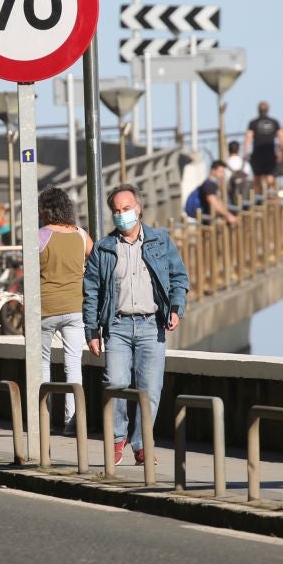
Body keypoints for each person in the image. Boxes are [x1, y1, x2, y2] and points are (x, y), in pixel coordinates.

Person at [84, 184, 189, 466]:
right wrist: (92, 330)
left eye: (126, 209)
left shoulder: (160, 241)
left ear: (138, 209)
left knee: (150, 389)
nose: (121, 215)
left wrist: (176, 309)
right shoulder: (104, 248)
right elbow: (91, 290)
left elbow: (179, 278)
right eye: (116, 211)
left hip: (151, 325)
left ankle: (142, 444)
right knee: (115, 382)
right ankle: (118, 438)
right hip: (117, 326)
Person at [37, 187, 93, 435]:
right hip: (75, 307)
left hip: (44, 309)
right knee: (73, 365)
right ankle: (72, 423)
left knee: (41, 365)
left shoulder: (39, 236)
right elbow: (96, 260)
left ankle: (43, 419)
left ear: (45, 209)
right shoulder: (81, 235)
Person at [244, 101, 281, 191]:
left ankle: (259, 198)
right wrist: (281, 151)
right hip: (270, 153)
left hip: (257, 153)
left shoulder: (253, 122)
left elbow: (248, 138)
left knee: (257, 177)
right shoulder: (274, 122)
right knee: (271, 177)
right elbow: (281, 137)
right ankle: (271, 195)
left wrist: (245, 152)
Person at [192, 160, 238, 226]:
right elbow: (214, 204)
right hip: (205, 222)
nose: (222, 175)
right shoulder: (209, 185)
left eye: (223, 172)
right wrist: (228, 215)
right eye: (221, 172)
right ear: (213, 170)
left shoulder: (211, 184)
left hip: (205, 220)